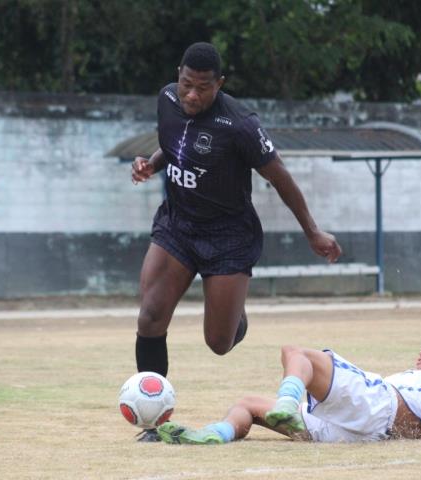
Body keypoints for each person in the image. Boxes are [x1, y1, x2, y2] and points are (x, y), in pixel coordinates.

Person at [131, 43, 341, 440]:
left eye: (203, 88)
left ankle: (233, 314)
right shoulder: (166, 99)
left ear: (219, 84)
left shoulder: (241, 124)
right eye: (186, 84)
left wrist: (312, 231)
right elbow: (173, 144)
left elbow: (279, 176)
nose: (192, 95)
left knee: (219, 342)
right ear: (178, 75)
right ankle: (153, 419)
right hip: (178, 225)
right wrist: (150, 164)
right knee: (150, 316)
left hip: (228, 237)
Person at [157, 331, 421, 444]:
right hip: (357, 430)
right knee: (248, 404)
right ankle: (214, 435)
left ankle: (289, 399)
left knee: (296, 351)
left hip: (378, 406)